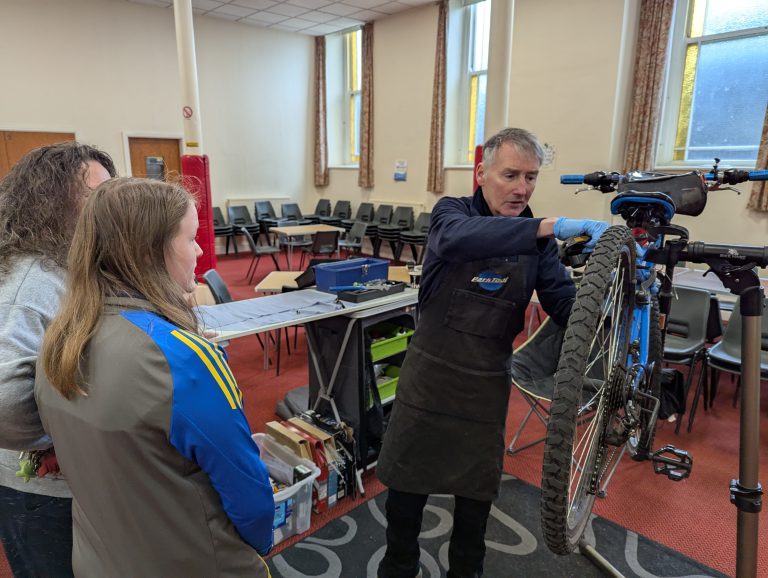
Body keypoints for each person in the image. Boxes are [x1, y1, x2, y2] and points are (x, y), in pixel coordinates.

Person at [375, 127, 609, 578]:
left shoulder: (538, 244)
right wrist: (546, 227)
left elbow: (563, 304)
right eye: (511, 175)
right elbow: (455, 240)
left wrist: (611, 292)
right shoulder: (452, 214)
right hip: (429, 382)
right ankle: (398, 566)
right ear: (481, 173)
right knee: (406, 496)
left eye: (532, 177)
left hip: (484, 389)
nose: (522, 188)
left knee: (475, 506)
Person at [35, 177, 275, 577]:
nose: (199, 250)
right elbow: (250, 499)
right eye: (191, 239)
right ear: (152, 252)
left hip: (99, 559)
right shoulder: (182, 357)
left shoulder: (58, 340)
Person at [0, 142, 116, 577]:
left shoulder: (64, 265)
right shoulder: (32, 279)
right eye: (97, 198)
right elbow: (4, 402)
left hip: (71, 482)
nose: (109, 210)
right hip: (38, 490)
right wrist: (63, 442)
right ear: (51, 201)